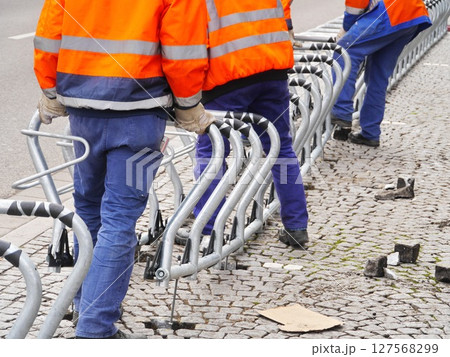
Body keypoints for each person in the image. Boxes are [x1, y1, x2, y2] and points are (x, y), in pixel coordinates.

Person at [34, 0, 213, 338]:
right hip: (140, 119)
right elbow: (183, 52)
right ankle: (95, 327)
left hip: (84, 115)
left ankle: (85, 305)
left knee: (87, 207)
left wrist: (50, 90)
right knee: (119, 216)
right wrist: (189, 106)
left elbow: (48, 36)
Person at [177, 0, 309, 249]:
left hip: (228, 73)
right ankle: (297, 226)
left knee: (213, 151)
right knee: (280, 148)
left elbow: (190, 36)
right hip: (272, 69)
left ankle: (206, 230)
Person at [331, 0, 431, 147]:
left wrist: (347, 28)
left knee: (344, 52)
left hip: (392, 11)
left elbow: (356, 4)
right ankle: (370, 133)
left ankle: (341, 112)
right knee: (378, 74)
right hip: (412, 13)